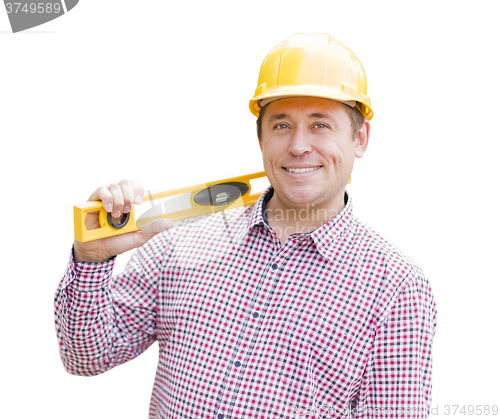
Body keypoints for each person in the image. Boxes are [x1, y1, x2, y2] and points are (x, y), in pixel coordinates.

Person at [54, 33, 437, 418]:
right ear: (261, 138)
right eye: (282, 125)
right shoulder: (179, 238)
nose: (299, 145)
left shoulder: (396, 288)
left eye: (320, 125)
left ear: (360, 138)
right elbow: (85, 357)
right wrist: (91, 259)